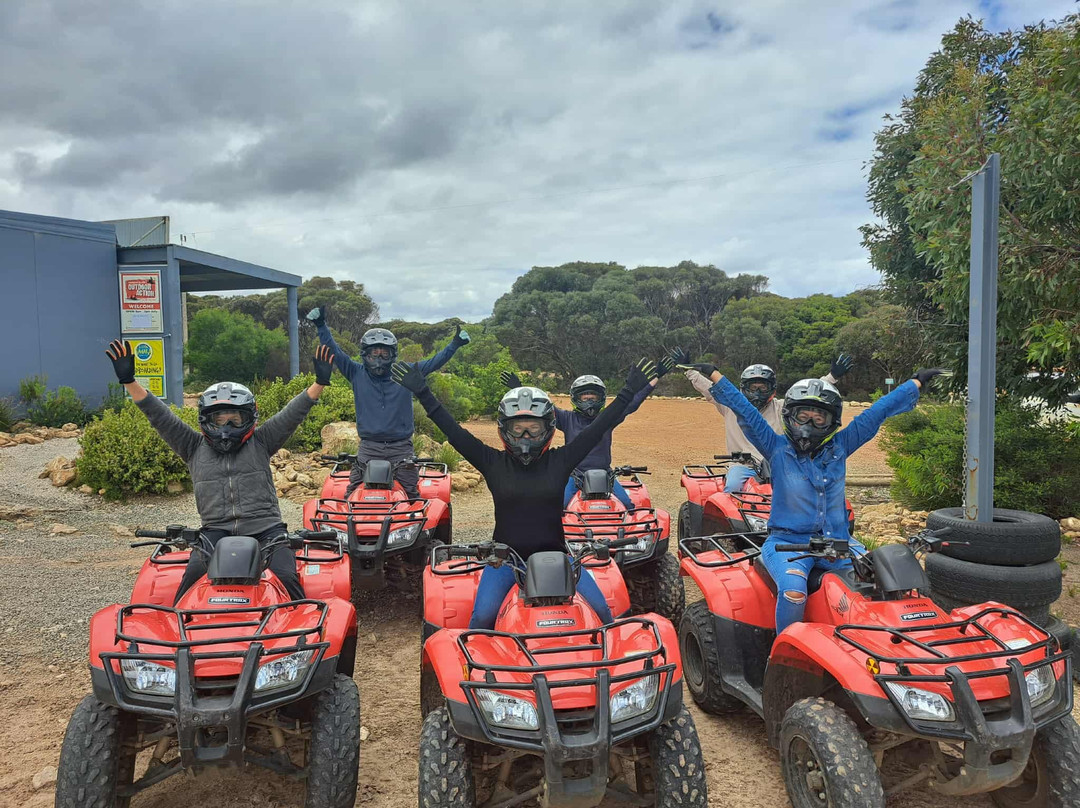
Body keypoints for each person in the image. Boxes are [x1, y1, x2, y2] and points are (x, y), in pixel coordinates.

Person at [676, 351, 943, 633]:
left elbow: (876, 413)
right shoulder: (776, 448)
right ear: (790, 416)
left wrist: (915, 383)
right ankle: (784, 652)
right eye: (803, 416)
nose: (809, 426)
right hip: (787, 544)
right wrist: (714, 373)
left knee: (889, 582)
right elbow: (745, 410)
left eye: (819, 419)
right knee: (793, 592)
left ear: (832, 422)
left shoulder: (840, 446)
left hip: (840, 543)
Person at [392, 357, 659, 629]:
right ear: (504, 430)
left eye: (534, 429)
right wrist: (423, 392)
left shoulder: (561, 460)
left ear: (548, 429)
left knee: (604, 616)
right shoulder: (491, 462)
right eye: (517, 429)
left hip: (559, 558)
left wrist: (628, 393)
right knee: (482, 620)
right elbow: (453, 431)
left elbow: (599, 426)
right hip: (504, 560)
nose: (526, 437)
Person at [104, 339, 336, 603]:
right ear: (206, 419)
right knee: (190, 579)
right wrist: (128, 381)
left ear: (249, 418)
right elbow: (159, 416)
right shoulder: (191, 445)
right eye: (219, 419)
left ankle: (302, 632)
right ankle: (178, 635)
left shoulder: (261, 441)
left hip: (266, 530)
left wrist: (319, 382)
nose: (226, 426)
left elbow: (292, 414)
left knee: (287, 577)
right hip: (215, 531)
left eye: (235, 418)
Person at [308, 307, 470, 498]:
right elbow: (335, 350)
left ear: (392, 354)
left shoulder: (404, 373)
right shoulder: (355, 372)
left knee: (412, 497)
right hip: (368, 448)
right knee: (351, 497)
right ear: (364, 353)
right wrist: (321, 325)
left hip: (401, 449)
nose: (378, 358)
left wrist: (455, 344)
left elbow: (433, 362)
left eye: (384, 354)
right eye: (374, 353)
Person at [501, 361, 674, 509]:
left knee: (627, 508)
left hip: (605, 475)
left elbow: (633, 402)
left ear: (601, 398)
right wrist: (520, 388)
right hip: (574, 476)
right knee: (557, 507)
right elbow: (542, 407)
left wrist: (656, 376)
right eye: (585, 397)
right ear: (576, 398)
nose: (589, 401)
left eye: (593, 397)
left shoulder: (607, 418)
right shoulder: (566, 418)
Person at [679, 352, 853, 492]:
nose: (757, 392)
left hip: (779, 464)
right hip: (743, 465)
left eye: (763, 387)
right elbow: (707, 388)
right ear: (743, 388)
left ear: (772, 388)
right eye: (753, 387)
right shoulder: (731, 406)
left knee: (807, 491)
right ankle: (730, 534)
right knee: (732, 489)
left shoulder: (781, 408)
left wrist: (832, 377)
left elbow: (808, 396)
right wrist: (690, 370)